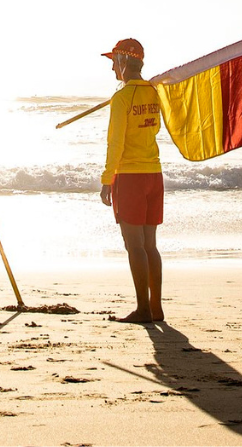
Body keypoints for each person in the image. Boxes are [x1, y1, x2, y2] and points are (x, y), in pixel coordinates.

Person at [99, 38, 164, 323]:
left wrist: (106, 179)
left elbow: (116, 143)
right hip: (154, 173)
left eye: (114, 61)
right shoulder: (154, 92)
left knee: (134, 245)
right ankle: (156, 307)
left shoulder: (122, 98)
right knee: (149, 245)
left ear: (124, 63)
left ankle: (143, 309)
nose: (112, 67)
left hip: (130, 176)